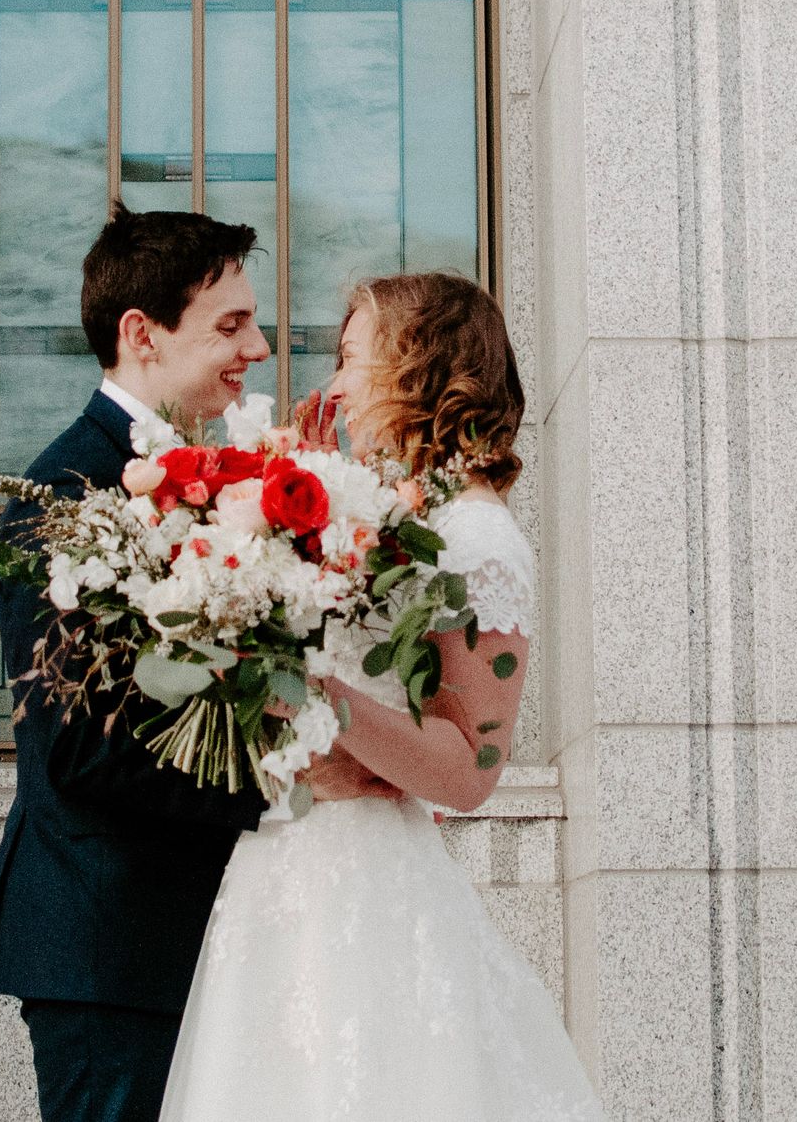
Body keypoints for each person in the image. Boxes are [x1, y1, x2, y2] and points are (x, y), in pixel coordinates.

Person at [0, 205, 392, 1122]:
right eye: (231, 325)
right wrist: (283, 783)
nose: (262, 345)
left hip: (227, 940)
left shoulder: (222, 481)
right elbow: (77, 752)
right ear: (141, 333)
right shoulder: (57, 497)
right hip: (113, 950)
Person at [157, 271, 605, 1122]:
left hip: (366, 893)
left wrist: (318, 693)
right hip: (285, 873)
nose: (335, 385)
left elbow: (470, 768)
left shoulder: (478, 541)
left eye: (352, 358)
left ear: (419, 368)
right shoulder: (391, 522)